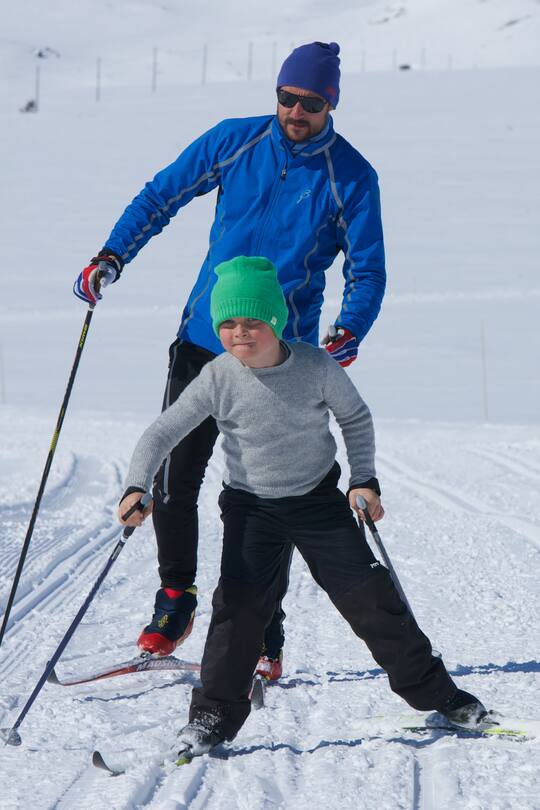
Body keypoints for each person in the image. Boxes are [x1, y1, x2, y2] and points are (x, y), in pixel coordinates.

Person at [75, 41, 386, 676]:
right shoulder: (235, 141)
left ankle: (263, 625)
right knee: (173, 477)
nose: (296, 111)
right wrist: (112, 255)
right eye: (288, 97)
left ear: (332, 103)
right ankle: (174, 597)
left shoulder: (350, 175)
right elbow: (160, 196)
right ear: (276, 93)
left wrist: (349, 328)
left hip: (281, 361)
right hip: (203, 339)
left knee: (269, 495)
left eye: (312, 102)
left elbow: (368, 269)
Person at [118, 256, 486, 760]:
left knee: (371, 597)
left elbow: (354, 418)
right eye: (227, 323)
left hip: (317, 501)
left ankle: (438, 695)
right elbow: (163, 431)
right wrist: (136, 486)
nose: (239, 333)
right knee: (238, 611)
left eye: (251, 322)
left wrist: (364, 480)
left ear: (275, 320)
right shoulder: (216, 376)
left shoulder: (315, 366)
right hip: (251, 508)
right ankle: (211, 716)